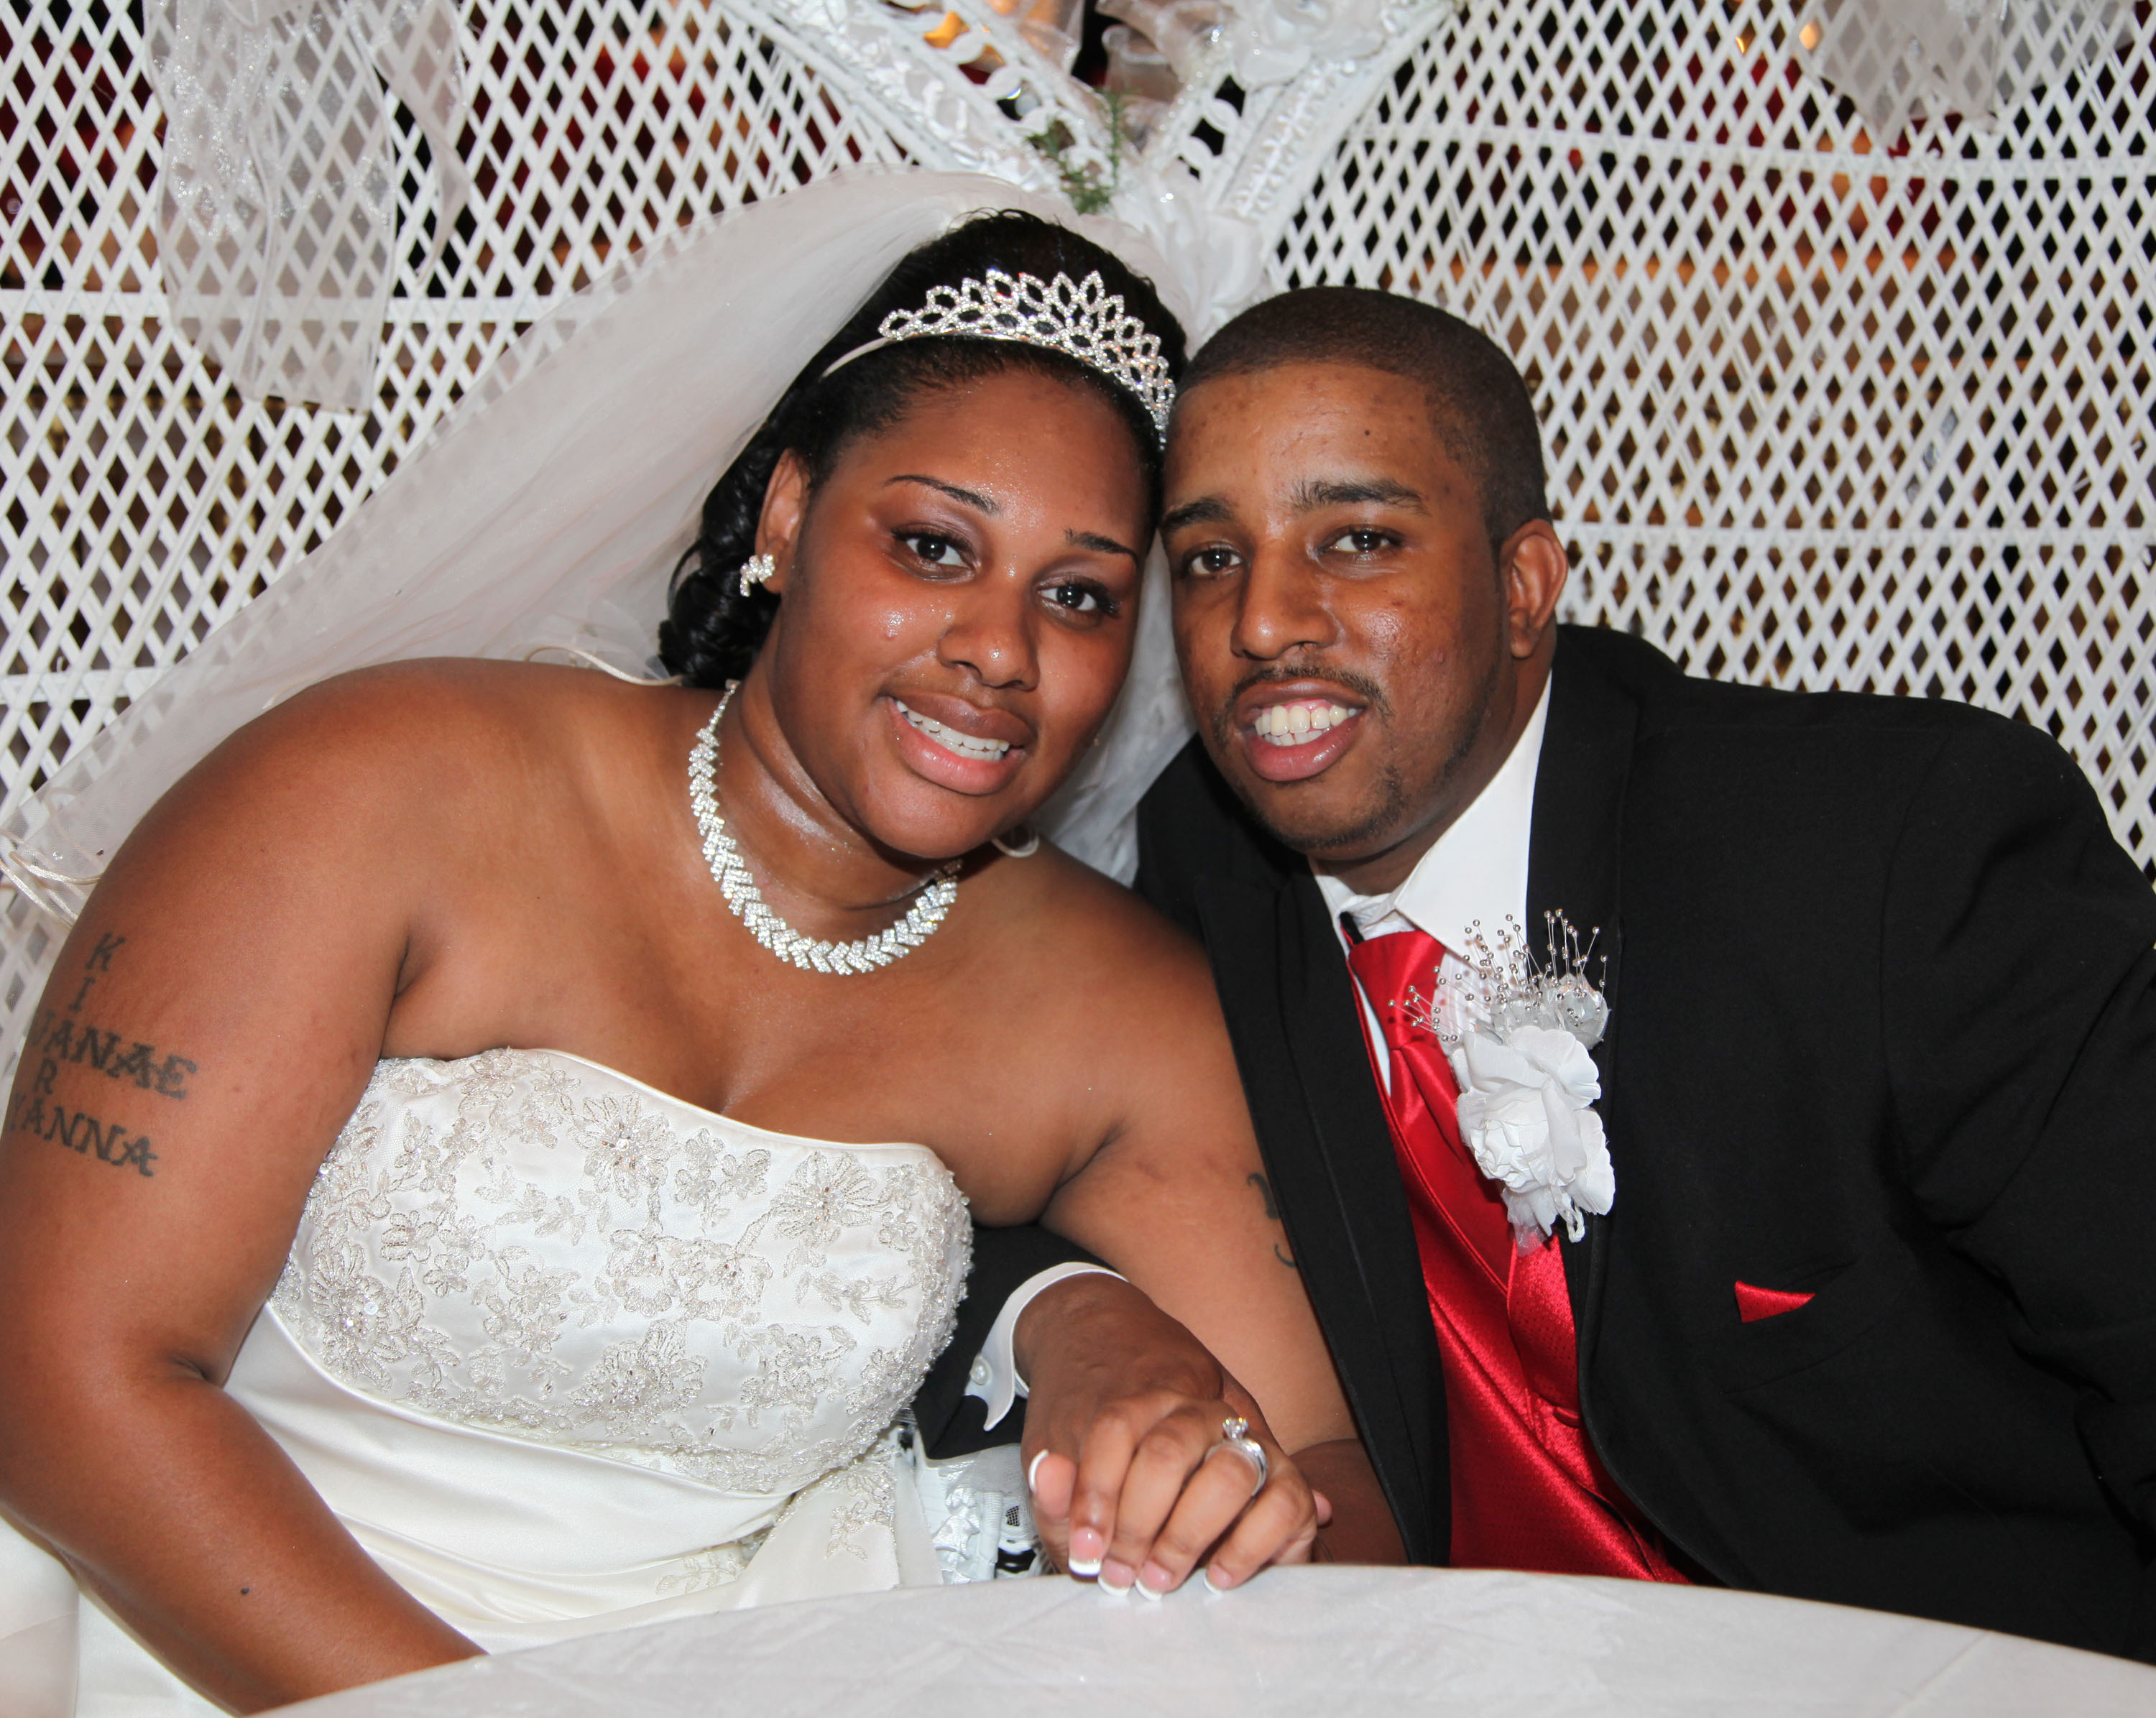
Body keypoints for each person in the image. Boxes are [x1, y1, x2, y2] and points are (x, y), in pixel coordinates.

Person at [0, 183, 1386, 1717]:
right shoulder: (375, 791)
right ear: (787, 519)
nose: (1001, 649)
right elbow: (60, 1375)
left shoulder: (1111, 1007)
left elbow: (1336, 1482)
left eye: (1077, 596)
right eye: (934, 547)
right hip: (192, 1640)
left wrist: (1203, 1466)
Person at [1010, 281, 2156, 1657]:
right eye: (1209, 558)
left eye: (1358, 539)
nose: (1263, 622)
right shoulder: (1199, 869)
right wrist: (1074, 1313)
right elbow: (968, 1113)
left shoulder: (1890, 854)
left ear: (1523, 586)